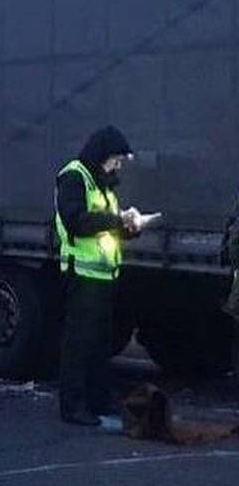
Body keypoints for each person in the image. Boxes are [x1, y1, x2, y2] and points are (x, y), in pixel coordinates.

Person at [53, 126, 155, 427]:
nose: (118, 165)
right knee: (79, 344)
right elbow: (75, 221)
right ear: (101, 155)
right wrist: (116, 220)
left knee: (99, 343)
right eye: (116, 159)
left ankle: (97, 400)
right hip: (81, 274)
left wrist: (131, 227)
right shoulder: (74, 177)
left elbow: (107, 227)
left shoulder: (103, 184)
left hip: (102, 275)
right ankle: (73, 407)